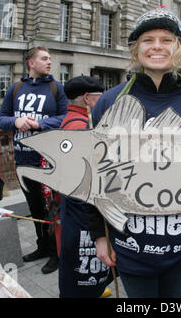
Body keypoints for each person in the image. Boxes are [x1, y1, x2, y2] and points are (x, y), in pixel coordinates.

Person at [90, 7, 181, 298]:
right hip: (129, 247)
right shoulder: (108, 104)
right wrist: (99, 236)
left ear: (180, 48)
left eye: (166, 39)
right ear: (136, 49)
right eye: (147, 39)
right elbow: (93, 174)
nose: (156, 46)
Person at [0, 45, 69, 274]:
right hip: (23, 159)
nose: (49, 62)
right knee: (35, 209)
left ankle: (57, 253)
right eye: (44, 58)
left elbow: (65, 117)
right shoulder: (15, 88)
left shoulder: (56, 88)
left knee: (53, 208)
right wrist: (15, 122)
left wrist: (40, 124)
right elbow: (1, 119)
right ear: (31, 63)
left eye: (50, 58)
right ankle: (42, 247)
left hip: (48, 161)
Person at [57, 75, 113, 298]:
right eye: (101, 98)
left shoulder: (70, 119)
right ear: (88, 98)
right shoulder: (82, 128)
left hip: (72, 209)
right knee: (82, 272)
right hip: (82, 213)